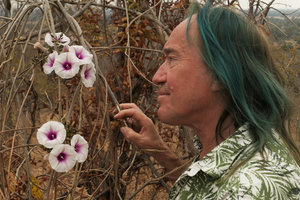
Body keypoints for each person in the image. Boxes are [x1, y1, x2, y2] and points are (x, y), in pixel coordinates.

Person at [114, 1, 300, 199]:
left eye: (172, 59)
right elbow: (208, 190)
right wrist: (159, 150)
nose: (157, 76)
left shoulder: (248, 190)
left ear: (219, 74)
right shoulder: (240, 151)